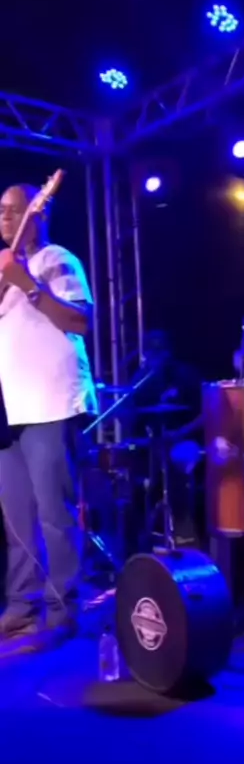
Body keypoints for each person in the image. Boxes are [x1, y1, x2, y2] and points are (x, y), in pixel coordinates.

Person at [0, 183, 97, 638]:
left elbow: (80, 321)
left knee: (54, 514)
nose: (5, 218)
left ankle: (62, 610)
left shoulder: (58, 259)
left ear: (38, 214)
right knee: (16, 519)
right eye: (1, 211)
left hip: (51, 403)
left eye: (15, 210)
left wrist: (26, 284)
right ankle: (23, 603)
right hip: (10, 410)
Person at [133, 330, 204, 546]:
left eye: (160, 354)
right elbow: (130, 415)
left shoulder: (186, 376)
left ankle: (185, 531)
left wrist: (182, 432)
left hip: (187, 439)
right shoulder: (141, 381)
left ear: (168, 353)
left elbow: (209, 413)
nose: (156, 360)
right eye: (152, 355)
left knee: (178, 461)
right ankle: (143, 537)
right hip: (154, 443)